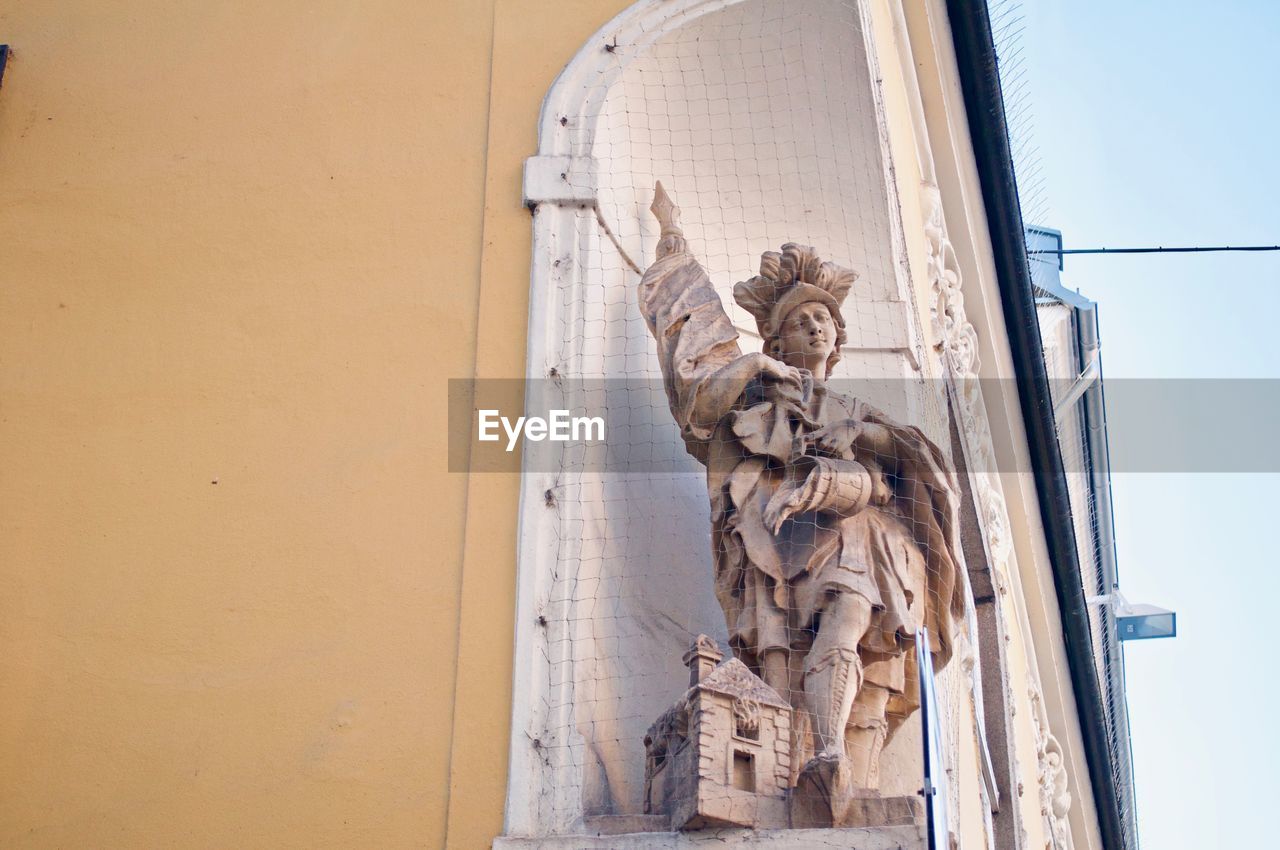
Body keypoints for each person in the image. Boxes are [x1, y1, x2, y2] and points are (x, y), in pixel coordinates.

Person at [639, 182, 966, 791]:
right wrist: (674, 241)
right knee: (779, 651)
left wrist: (856, 460)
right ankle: (800, 767)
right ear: (777, 341)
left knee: (849, 614)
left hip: (859, 535)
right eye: (800, 322)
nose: (816, 328)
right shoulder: (758, 392)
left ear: (838, 340)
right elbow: (699, 401)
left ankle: (833, 755)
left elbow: (915, 473)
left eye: (824, 320)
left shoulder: (862, 412)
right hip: (775, 538)